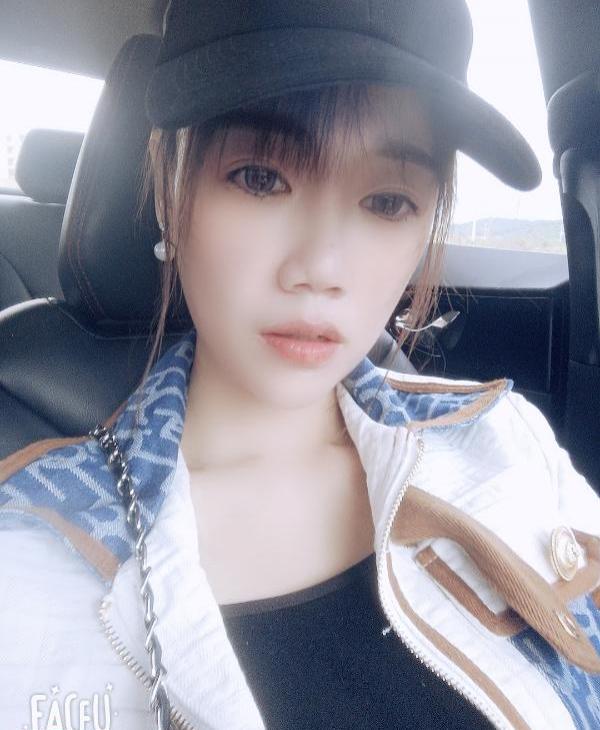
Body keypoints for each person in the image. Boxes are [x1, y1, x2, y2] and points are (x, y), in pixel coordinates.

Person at [2, 1, 600, 729]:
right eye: (259, 178)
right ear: (169, 190)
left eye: (387, 201)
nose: (321, 267)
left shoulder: (506, 439)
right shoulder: (28, 552)